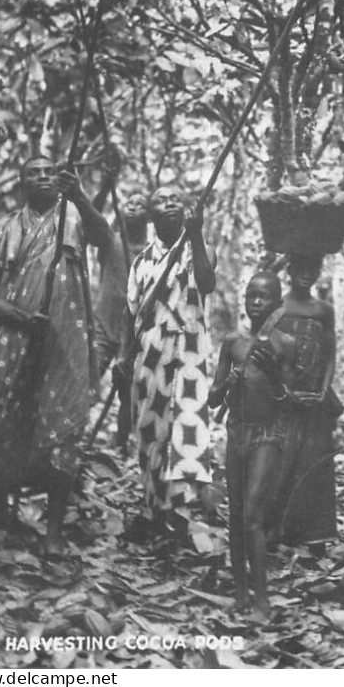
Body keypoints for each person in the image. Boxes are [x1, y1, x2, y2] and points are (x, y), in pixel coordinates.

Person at [0, 156, 111, 555]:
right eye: (33, 172)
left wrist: (82, 197)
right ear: (21, 183)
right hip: (15, 343)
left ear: (59, 179)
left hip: (64, 343)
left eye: (49, 171)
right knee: (2, 420)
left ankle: (53, 532)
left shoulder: (74, 219)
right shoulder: (6, 229)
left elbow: (106, 240)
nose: (42, 177)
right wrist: (19, 318)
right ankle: (3, 517)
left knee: (64, 427)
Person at [116, 185, 216, 535]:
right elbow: (130, 314)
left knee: (186, 431)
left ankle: (180, 513)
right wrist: (122, 357)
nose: (171, 202)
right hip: (150, 354)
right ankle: (154, 508)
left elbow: (207, 282)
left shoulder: (197, 250)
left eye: (176, 198)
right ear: (151, 214)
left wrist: (198, 233)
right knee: (152, 431)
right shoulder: (142, 261)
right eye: (162, 200)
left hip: (189, 351)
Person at [208, 271, 296, 621]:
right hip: (237, 433)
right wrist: (227, 383)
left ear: (276, 303)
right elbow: (213, 398)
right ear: (244, 300)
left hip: (267, 435)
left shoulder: (285, 344)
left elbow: (288, 402)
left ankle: (263, 600)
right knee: (236, 517)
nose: (256, 302)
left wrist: (275, 376)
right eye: (251, 295)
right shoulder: (232, 342)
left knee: (252, 515)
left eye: (264, 297)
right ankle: (241, 594)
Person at [270, 253, 337, 547]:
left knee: (312, 463)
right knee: (279, 462)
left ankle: (311, 533)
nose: (306, 273)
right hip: (284, 398)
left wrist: (324, 389)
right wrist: (281, 391)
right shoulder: (277, 306)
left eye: (313, 267)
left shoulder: (323, 309)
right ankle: (274, 530)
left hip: (314, 399)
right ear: (290, 269)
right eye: (300, 266)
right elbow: (266, 348)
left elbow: (330, 352)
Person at [93, 189, 149, 377]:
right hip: (103, 325)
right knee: (88, 378)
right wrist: (106, 184)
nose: (132, 207)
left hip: (133, 335)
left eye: (140, 205)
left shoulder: (151, 254)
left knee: (127, 391)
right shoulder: (111, 241)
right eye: (129, 204)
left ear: (149, 217)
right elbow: (91, 221)